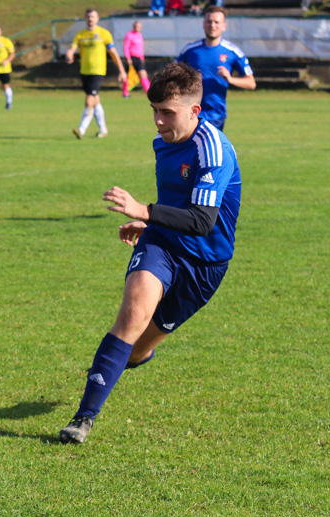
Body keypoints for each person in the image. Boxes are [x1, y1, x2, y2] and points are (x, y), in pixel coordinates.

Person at [58, 62, 241, 445]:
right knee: (132, 314)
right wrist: (150, 226)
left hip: (206, 265)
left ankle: (136, 355)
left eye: (167, 113)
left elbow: (203, 220)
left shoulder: (213, 149)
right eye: (154, 111)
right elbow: (179, 201)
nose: (158, 122)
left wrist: (144, 211)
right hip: (162, 244)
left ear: (195, 111)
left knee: (137, 351)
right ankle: (83, 418)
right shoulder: (164, 142)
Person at [176, 6, 255, 131]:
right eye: (209, 21)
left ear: (223, 26)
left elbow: (251, 83)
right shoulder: (190, 50)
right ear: (203, 24)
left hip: (215, 115)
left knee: (209, 150)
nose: (212, 25)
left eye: (216, 22)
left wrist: (230, 79)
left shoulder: (233, 52)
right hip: (189, 113)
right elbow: (172, 75)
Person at [66, 8, 126, 139]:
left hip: (98, 71)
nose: (90, 19)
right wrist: (69, 54)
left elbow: (114, 53)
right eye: (88, 17)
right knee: (95, 100)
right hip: (84, 71)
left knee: (89, 99)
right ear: (85, 19)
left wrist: (121, 71)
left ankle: (81, 130)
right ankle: (103, 129)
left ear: (97, 19)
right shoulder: (80, 35)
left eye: (92, 17)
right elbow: (72, 48)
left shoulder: (104, 34)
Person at [122, 21, 151, 98]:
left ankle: (149, 91)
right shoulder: (129, 35)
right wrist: (128, 58)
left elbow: (140, 48)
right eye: (136, 26)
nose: (138, 28)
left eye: (139, 27)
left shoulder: (139, 35)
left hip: (138, 58)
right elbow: (126, 47)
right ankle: (125, 93)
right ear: (133, 27)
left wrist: (142, 58)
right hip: (131, 58)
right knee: (128, 76)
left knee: (143, 74)